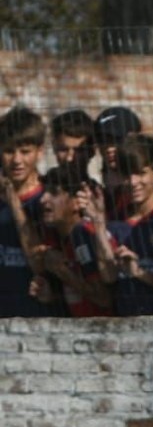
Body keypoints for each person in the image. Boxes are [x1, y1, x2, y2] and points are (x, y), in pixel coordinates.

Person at [102, 134, 153, 317]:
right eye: (127, 173)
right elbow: (107, 280)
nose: (133, 182)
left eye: (141, 173)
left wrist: (137, 272)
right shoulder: (115, 223)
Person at [34, 163, 113, 317]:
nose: (43, 199)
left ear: (77, 202)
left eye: (54, 193)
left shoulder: (84, 234)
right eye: (44, 192)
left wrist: (63, 272)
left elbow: (104, 298)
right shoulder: (59, 238)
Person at [0, 105, 53, 316]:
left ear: (39, 152)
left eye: (25, 151)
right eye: (9, 151)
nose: (17, 160)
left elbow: (39, 263)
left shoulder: (48, 201)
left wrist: (13, 201)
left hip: (36, 318)